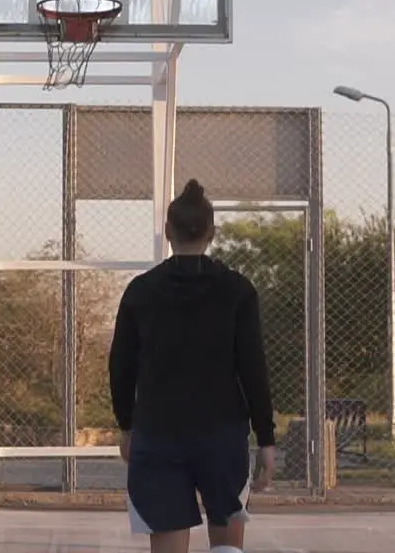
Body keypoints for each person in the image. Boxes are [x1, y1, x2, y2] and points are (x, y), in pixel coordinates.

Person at [109, 179, 277, 553]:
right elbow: (253, 368)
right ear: (211, 233)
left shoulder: (140, 291)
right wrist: (265, 437)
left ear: (167, 232)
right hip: (222, 435)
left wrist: (127, 425)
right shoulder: (237, 291)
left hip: (158, 433)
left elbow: (120, 366)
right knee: (227, 545)